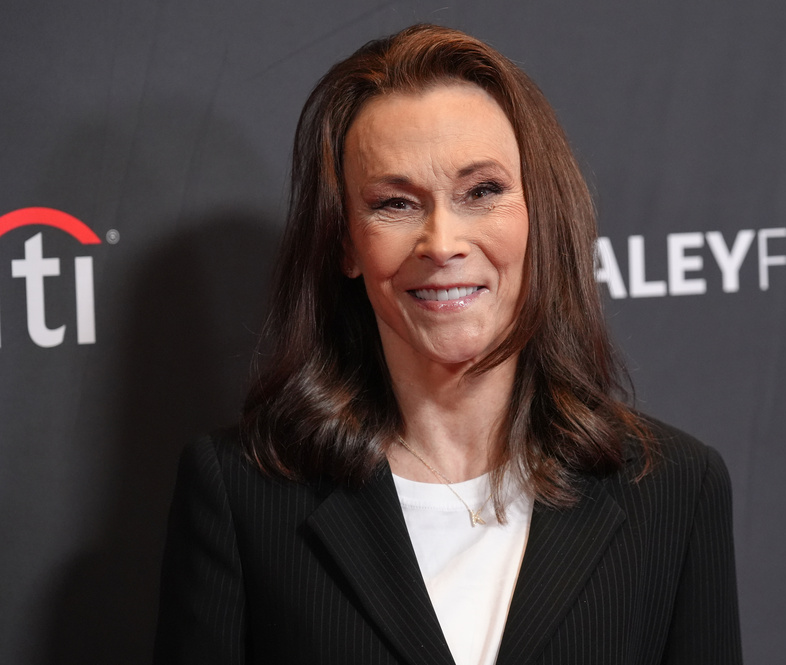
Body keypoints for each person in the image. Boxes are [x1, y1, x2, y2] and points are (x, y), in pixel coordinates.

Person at [155, 23, 742, 665]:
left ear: (539, 214)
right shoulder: (242, 495)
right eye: (394, 204)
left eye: (481, 192)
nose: (442, 243)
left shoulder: (674, 489)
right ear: (346, 243)